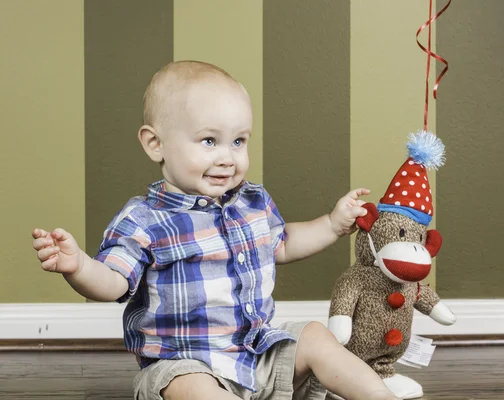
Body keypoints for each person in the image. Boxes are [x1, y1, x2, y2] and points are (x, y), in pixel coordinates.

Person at [32, 60, 403, 400]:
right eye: (209, 141)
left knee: (316, 337)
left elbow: (283, 244)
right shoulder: (145, 219)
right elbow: (113, 281)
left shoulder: (252, 201)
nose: (227, 157)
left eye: (239, 141)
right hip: (183, 364)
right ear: (155, 143)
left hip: (257, 353)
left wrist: (332, 224)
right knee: (191, 387)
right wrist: (79, 267)